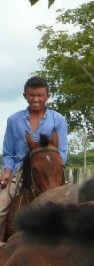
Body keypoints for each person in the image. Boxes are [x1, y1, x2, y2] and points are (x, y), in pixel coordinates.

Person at [0, 76, 68, 238]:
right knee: (0, 208)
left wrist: (52, 167)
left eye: (40, 95)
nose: (36, 99)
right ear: (25, 96)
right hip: (19, 171)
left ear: (48, 96)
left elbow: (63, 151)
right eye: (31, 95)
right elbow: (8, 152)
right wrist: (7, 171)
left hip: (50, 170)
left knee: (74, 208)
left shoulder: (58, 120)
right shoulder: (13, 120)